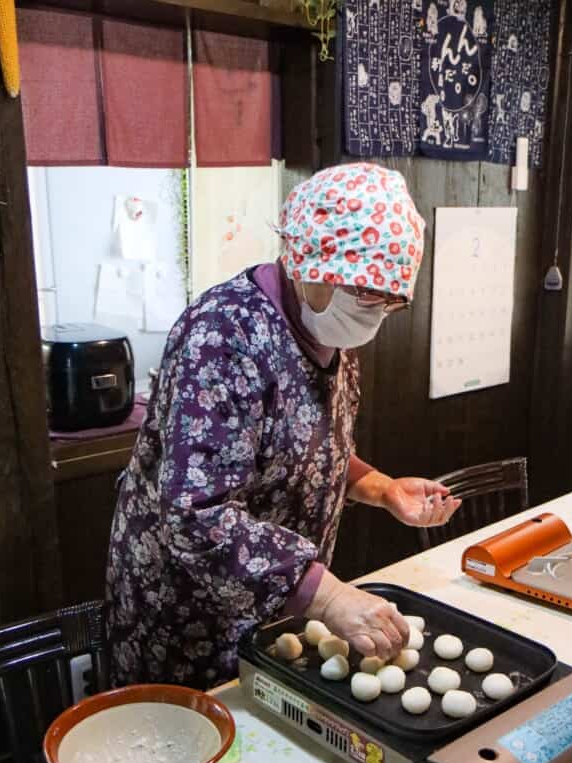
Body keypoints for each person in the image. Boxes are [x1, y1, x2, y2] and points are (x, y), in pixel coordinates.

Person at [106, 163, 461, 690]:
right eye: (364, 294)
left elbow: (303, 449)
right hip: (187, 612)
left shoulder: (326, 332)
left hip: (272, 605)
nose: (374, 313)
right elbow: (196, 514)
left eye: (390, 301)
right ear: (306, 261)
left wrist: (381, 488)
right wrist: (328, 596)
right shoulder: (223, 339)